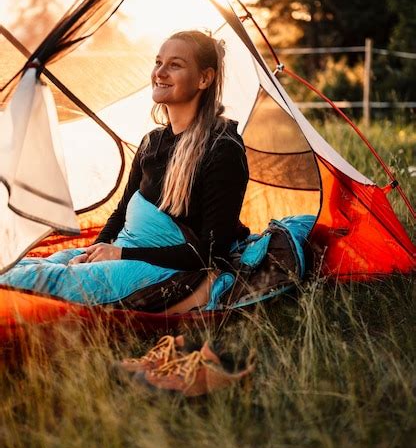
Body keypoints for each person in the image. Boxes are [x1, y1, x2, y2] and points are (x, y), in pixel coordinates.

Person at [0, 30, 250, 311]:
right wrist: (95, 251)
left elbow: (210, 253)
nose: (160, 72)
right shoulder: (153, 143)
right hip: (125, 252)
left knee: (33, 280)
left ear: (205, 78)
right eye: (158, 62)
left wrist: (120, 254)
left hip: (161, 268)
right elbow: (121, 212)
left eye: (175, 65)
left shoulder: (222, 149)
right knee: (17, 266)